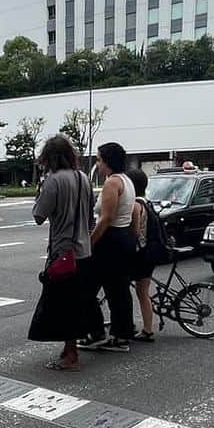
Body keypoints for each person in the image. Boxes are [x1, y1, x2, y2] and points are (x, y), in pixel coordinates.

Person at [28, 134, 96, 371]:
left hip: (62, 253)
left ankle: (71, 355)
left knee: (62, 305)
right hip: (84, 251)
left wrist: (39, 190)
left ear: (49, 158)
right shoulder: (84, 178)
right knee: (76, 303)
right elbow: (91, 219)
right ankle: (70, 348)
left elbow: (38, 216)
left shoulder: (53, 181)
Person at [79, 141, 137, 353]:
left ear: (107, 161)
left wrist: (90, 242)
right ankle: (122, 334)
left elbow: (106, 218)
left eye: (99, 160)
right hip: (123, 239)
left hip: (110, 240)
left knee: (87, 288)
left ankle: (98, 333)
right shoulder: (127, 180)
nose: (97, 164)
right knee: (119, 290)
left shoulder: (112, 183)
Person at [129, 167, 168, 342]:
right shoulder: (147, 201)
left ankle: (146, 329)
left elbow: (135, 232)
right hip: (150, 253)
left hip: (141, 255)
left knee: (140, 291)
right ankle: (147, 328)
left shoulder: (136, 205)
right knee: (142, 291)